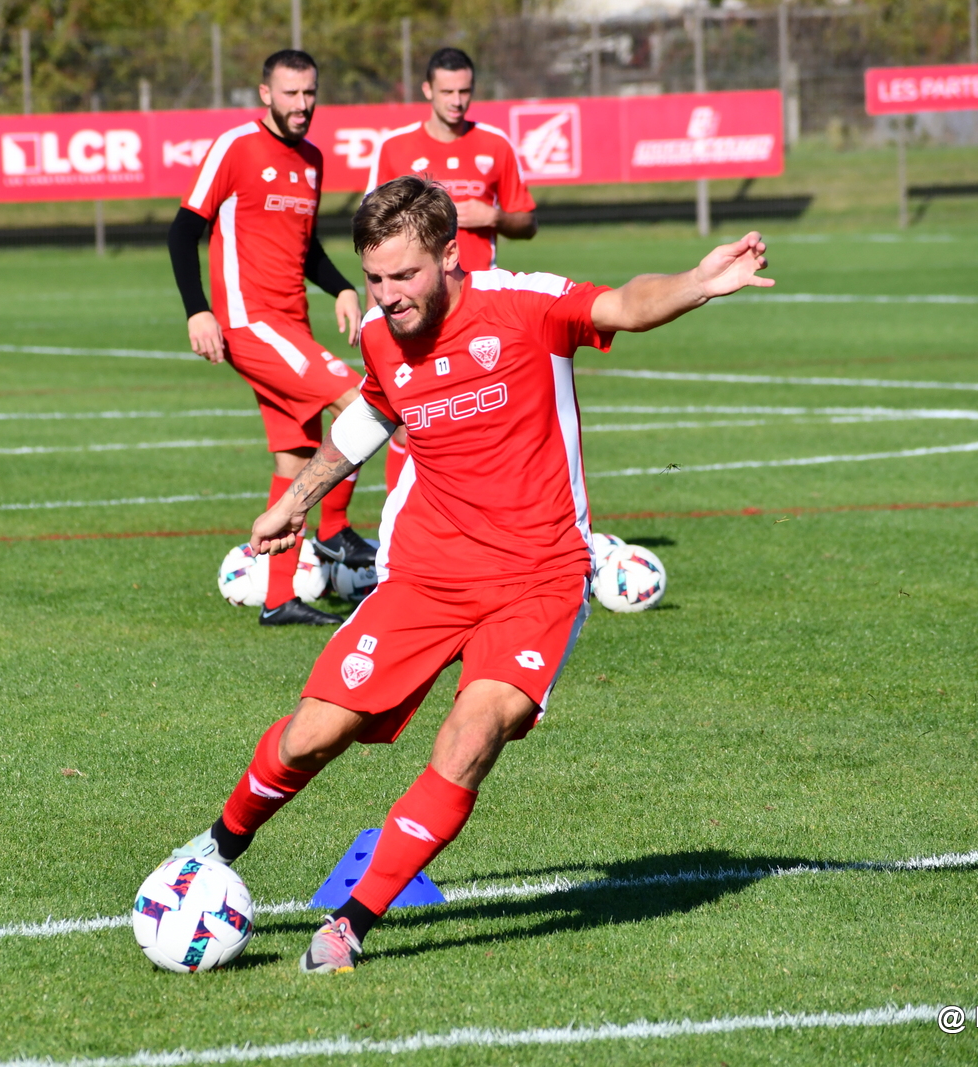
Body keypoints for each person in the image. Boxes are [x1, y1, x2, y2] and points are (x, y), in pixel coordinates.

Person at [171, 175, 772, 973]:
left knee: (472, 733)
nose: (387, 295)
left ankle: (351, 923)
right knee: (312, 734)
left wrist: (697, 282)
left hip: (539, 576)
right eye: (375, 277)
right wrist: (296, 500)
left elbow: (622, 305)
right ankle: (213, 848)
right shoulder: (383, 334)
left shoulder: (523, 304)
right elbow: (375, 410)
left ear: (452, 255)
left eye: (404, 275)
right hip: (429, 571)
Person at [169, 49, 376, 626]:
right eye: (290, 93)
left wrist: (341, 287)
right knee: (366, 403)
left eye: (310, 93)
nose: (302, 104)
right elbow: (183, 230)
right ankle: (334, 530)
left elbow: (305, 248)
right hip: (249, 323)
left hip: (290, 324)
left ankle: (280, 598)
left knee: (297, 460)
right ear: (266, 94)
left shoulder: (311, 159)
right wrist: (198, 311)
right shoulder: (236, 146)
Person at [366, 47, 539, 496]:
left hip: (479, 308)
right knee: (408, 419)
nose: (457, 100)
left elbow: (528, 222)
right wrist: (373, 313)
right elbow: (374, 238)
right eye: (447, 91)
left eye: (465, 91)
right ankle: (400, 519)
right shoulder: (395, 149)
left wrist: (494, 216)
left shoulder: (495, 145)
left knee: (483, 417)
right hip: (416, 305)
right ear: (427, 90)